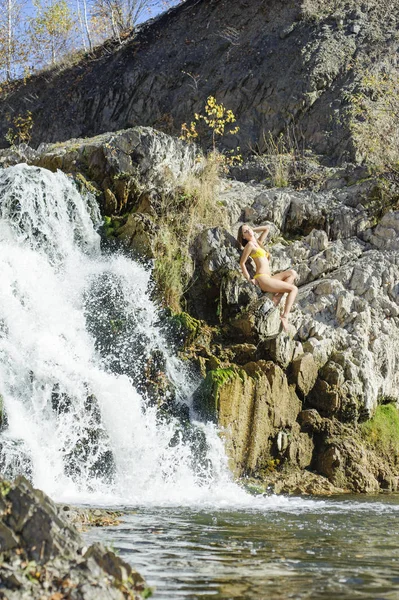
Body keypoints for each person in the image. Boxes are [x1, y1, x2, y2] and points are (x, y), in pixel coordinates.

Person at [237, 224, 298, 332]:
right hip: (262, 278)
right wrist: (249, 279)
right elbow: (242, 263)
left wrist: (251, 230)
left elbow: (267, 228)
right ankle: (285, 315)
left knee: (292, 273)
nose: (248, 231)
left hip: (269, 277)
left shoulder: (258, 243)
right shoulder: (250, 245)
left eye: (248, 228)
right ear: (243, 237)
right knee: (294, 289)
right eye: (245, 231)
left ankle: (278, 298)